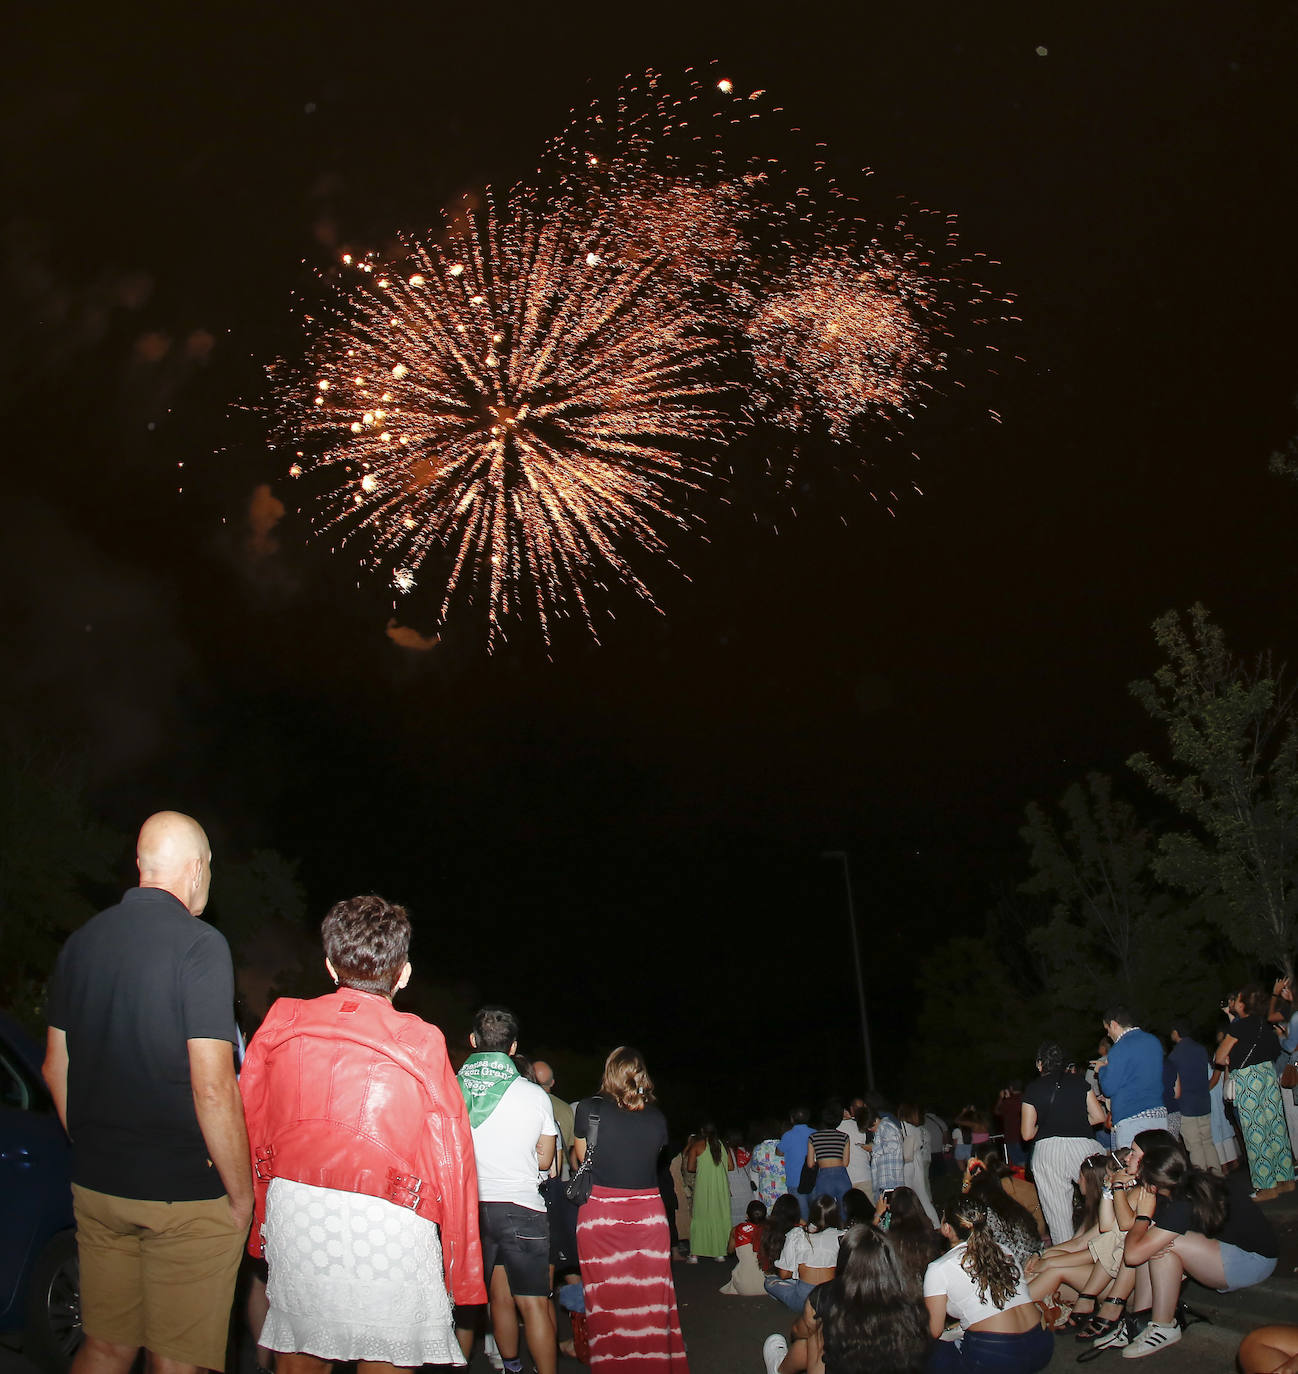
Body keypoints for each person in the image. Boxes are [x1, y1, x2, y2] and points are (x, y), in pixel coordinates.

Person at [43, 811, 254, 1374]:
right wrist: (241, 1194)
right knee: (175, 1359)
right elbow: (213, 1086)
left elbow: (53, 1066)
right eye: (208, 866)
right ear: (195, 868)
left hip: (96, 1185)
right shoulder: (201, 946)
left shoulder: (81, 944)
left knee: (107, 1346)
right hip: (184, 1195)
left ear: (141, 865)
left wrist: (90, 1144)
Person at [239, 895, 484, 1374]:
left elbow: (250, 1119)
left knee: (301, 1352)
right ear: (404, 973)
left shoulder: (281, 1021)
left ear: (330, 966)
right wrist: (462, 1271)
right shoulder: (422, 1040)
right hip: (390, 1217)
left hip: (299, 1208)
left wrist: (258, 1220)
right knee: (387, 1354)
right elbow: (454, 1157)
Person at [572, 1047, 688, 1371]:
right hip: (648, 1217)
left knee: (606, 1305)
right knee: (650, 1304)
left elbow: (585, 1162)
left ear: (609, 1071)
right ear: (642, 1074)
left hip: (601, 1216)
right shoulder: (657, 1117)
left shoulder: (589, 1109)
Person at [455, 1006, 557, 1374]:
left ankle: (509, 1366)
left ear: (472, 1041)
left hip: (469, 1211)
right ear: (513, 1048)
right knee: (533, 1304)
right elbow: (545, 1161)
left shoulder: (451, 1089)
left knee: (481, 1302)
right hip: (522, 1209)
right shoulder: (534, 1096)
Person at [1120, 1128, 1278, 1358]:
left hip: (1254, 1261)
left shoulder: (1180, 1202)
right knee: (1154, 1242)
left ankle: (1163, 1327)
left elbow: (1133, 1255)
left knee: (1163, 1244)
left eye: (1134, 1154)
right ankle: (1141, 1320)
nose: (1127, 1158)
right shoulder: (1181, 1182)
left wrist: (1143, 1217)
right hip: (1233, 1250)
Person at [761, 1224, 931, 1374]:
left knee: (815, 1330)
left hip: (841, 1362)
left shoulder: (826, 1295)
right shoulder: (910, 1296)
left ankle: (780, 1370)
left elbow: (799, 1330)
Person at [923, 1195, 1053, 1373]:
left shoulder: (939, 1268)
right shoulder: (1003, 1250)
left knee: (929, 1351)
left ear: (946, 1228)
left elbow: (934, 1331)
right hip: (1041, 1344)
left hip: (997, 1356)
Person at [1020, 1040, 1104, 1245]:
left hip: (1049, 1152)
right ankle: (1110, 1243)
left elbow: (1027, 1134)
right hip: (1084, 1147)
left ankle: (1066, 1261)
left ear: (1040, 1064)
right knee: (1104, 1199)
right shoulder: (1079, 1083)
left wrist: (1047, 1125)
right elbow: (1099, 1117)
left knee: (1058, 1217)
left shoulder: (1033, 1089)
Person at [1216, 985, 1295, 1200]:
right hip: (1268, 1076)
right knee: (1275, 1128)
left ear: (1243, 1004)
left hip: (1248, 1079)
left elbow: (1219, 1057)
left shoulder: (1239, 1027)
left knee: (1255, 1131)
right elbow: (1275, 1051)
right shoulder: (1265, 1025)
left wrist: (1230, 1058)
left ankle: (1266, 1187)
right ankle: (1285, 1180)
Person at [1096, 1006, 1167, 1147]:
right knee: (1155, 1164)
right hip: (1158, 1115)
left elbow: (1108, 1088)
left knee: (1131, 1166)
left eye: (1107, 1029)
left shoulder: (1119, 1048)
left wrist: (1102, 1070)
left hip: (1132, 1118)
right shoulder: (1153, 1041)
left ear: (1114, 1025)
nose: (1108, 1035)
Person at [765, 1195, 844, 1314]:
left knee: (769, 1281)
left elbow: (784, 1274)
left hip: (805, 1301)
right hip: (831, 1300)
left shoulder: (797, 1235)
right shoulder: (842, 1236)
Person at [1167, 1021, 1220, 1173]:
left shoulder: (1175, 1055)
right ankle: (1217, 1173)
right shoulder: (1201, 1049)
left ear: (1177, 1032)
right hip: (1203, 1101)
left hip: (1186, 1105)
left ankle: (1203, 1180)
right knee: (1208, 1141)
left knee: (1195, 1145)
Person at [873, 1187, 941, 1293]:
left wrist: (877, 1215)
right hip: (927, 1285)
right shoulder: (928, 1228)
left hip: (901, 1290)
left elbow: (866, 1240)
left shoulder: (889, 1235)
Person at [684, 1121, 734, 1259]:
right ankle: (720, 1252)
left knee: (701, 1215)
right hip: (721, 1187)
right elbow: (731, 1166)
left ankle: (695, 1254)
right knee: (720, 1215)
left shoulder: (697, 1145)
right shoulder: (723, 1145)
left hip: (703, 1186)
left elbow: (690, 1168)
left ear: (702, 1131)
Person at [806, 1101, 854, 1217]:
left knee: (824, 1212)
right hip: (842, 1175)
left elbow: (810, 1163)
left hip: (824, 1177)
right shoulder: (844, 1136)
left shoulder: (813, 1137)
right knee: (845, 1212)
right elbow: (846, 1163)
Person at [898, 1103, 939, 1226]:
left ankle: (910, 1226)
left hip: (908, 1162)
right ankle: (936, 1225)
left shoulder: (903, 1126)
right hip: (918, 1160)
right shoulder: (917, 1128)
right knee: (923, 1196)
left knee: (906, 1196)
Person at [533, 1060, 575, 1175]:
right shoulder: (567, 1109)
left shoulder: (528, 1105)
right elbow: (571, 1146)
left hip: (533, 1168)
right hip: (563, 1171)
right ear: (552, 1083)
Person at [719, 1199, 768, 1296]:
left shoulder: (736, 1230)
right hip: (768, 1286)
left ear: (747, 1215)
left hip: (743, 1286)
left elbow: (730, 1251)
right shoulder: (771, 1231)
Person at [780, 1108, 816, 1219]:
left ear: (792, 1119)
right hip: (813, 1179)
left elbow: (779, 1151)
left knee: (801, 1218)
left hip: (796, 1181)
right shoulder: (815, 1132)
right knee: (815, 1215)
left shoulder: (788, 1135)